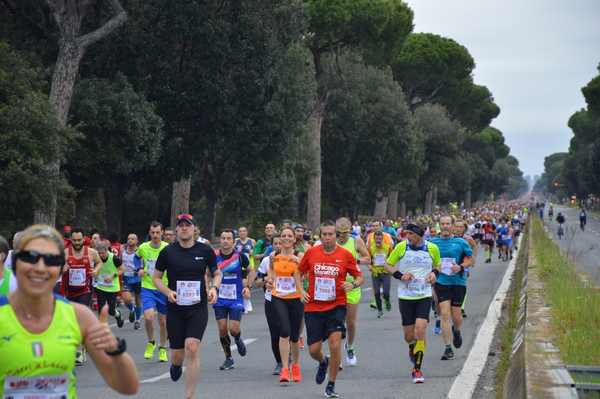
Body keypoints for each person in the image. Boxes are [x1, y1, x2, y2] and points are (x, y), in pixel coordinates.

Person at [0, 224, 139, 398]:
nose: (40, 267)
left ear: (59, 268)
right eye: (31, 257)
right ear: (15, 262)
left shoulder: (79, 316)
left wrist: (115, 350)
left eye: (51, 260)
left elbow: (128, 387)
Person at [153, 214, 221, 399]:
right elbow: (156, 278)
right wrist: (168, 292)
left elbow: (217, 273)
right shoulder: (168, 252)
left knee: (191, 347)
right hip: (175, 308)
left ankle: (190, 396)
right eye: (181, 225)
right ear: (176, 230)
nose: (184, 228)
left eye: (187, 225)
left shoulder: (205, 250)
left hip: (197, 308)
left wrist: (214, 288)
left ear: (194, 229)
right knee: (177, 355)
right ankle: (175, 365)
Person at [299, 221, 364, 398]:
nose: (327, 238)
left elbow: (359, 276)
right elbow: (298, 271)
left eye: (330, 234)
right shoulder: (312, 252)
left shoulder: (345, 255)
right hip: (314, 306)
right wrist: (301, 290)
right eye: (324, 235)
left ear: (336, 236)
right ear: (320, 236)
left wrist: (353, 284)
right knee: (313, 350)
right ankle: (322, 362)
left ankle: (331, 384)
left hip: (337, 305)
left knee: (335, 344)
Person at [385, 223, 440, 383]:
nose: (407, 237)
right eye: (406, 234)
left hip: (424, 294)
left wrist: (434, 274)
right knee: (409, 336)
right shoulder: (401, 247)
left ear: (419, 235)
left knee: (421, 329)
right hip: (406, 296)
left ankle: (417, 369)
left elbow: (437, 265)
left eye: (411, 234)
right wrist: (400, 275)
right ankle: (412, 347)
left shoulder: (432, 248)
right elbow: (388, 265)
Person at [430, 216, 473, 361]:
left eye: (448, 224)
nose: (445, 226)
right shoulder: (432, 242)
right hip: (441, 282)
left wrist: (460, 267)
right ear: (439, 226)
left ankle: (457, 330)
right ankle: (448, 348)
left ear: (453, 226)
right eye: (443, 224)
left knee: (456, 316)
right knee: (445, 314)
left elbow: (469, 259)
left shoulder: (460, 242)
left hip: (458, 282)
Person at [266, 227, 305, 384]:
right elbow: (271, 271)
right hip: (278, 296)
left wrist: (300, 264)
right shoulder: (273, 256)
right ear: (280, 239)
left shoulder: (299, 255)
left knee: (295, 336)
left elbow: (307, 273)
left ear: (294, 239)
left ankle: (295, 366)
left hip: (296, 298)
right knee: (284, 331)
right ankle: (284, 368)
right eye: (284, 236)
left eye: (290, 236)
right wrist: (270, 280)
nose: (287, 238)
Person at [62, 227, 103, 365]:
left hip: (85, 291)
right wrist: (62, 268)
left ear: (84, 239)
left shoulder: (91, 252)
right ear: (71, 240)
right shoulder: (65, 253)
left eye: (79, 240)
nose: (77, 243)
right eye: (74, 240)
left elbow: (99, 262)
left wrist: (95, 271)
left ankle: (78, 351)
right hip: (69, 292)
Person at [213, 228, 251, 370]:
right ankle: (228, 358)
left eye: (229, 238)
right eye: (223, 238)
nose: (225, 241)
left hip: (236, 298)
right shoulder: (214, 256)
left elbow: (250, 271)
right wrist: (208, 287)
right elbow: (207, 272)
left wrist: (248, 286)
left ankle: (237, 338)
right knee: (222, 329)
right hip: (220, 298)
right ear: (220, 240)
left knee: (233, 329)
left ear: (233, 241)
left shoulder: (240, 256)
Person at [335, 217, 370, 367]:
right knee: (336, 322)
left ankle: (350, 346)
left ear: (350, 230)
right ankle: (336, 355)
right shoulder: (331, 242)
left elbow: (368, 258)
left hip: (352, 285)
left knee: (350, 322)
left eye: (346, 232)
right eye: (340, 233)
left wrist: (354, 262)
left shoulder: (356, 241)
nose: (343, 236)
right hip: (336, 286)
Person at [137, 221, 169, 362]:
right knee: (149, 317)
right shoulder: (143, 247)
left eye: (157, 232)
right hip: (147, 287)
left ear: (162, 232)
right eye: (152, 233)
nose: (155, 235)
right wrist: (139, 269)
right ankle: (151, 342)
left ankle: (162, 348)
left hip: (163, 287)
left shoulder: (167, 248)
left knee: (163, 322)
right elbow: (136, 258)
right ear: (149, 233)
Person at [255, 235, 284, 375]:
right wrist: (266, 279)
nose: (278, 246)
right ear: (271, 246)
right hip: (271, 299)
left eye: (281, 243)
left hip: (288, 299)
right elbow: (258, 281)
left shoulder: (293, 258)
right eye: (275, 243)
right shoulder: (266, 260)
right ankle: (279, 362)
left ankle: (288, 356)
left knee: (287, 331)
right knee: (275, 333)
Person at [93, 243, 125, 328]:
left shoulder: (114, 258)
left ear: (107, 251)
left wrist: (113, 276)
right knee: (101, 309)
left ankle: (118, 315)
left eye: (102, 253)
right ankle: (101, 329)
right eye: (99, 253)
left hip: (112, 288)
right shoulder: (96, 259)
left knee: (111, 311)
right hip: (100, 287)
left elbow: (122, 269)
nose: (101, 255)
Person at [368, 230, 392, 317]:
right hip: (375, 273)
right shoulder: (371, 247)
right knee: (377, 293)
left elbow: (391, 258)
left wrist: (390, 267)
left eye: (380, 238)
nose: (378, 239)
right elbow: (368, 259)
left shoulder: (387, 247)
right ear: (374, 239)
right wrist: (369, 266)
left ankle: (387, 301)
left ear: (382, 238)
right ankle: (380, 310)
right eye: (376, 238)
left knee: (386, 292)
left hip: (385, 272)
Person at [121, 233, 143, 329]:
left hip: (137, 278)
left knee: (138, 299)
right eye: (129, 238)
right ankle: (132, 309)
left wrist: (140, 270)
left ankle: (137, 320)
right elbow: (119, 263)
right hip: (126, 278)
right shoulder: (122, 251)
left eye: (133, 239)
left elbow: (143, 264)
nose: (130, 240)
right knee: (126, 299)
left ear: (137, 241)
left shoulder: (140, 251)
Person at [234, 226, 256, 314]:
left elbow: (256, 254)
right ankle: (243, 304)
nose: (242, 233)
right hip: (239, 266)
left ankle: (246, 302)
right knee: (242, 284)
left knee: (247, 285)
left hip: (249, 266)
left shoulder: (252, 241)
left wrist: (252, 253)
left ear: (247, 232)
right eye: (240, 231)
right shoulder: (235, 241)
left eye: (244, 231)